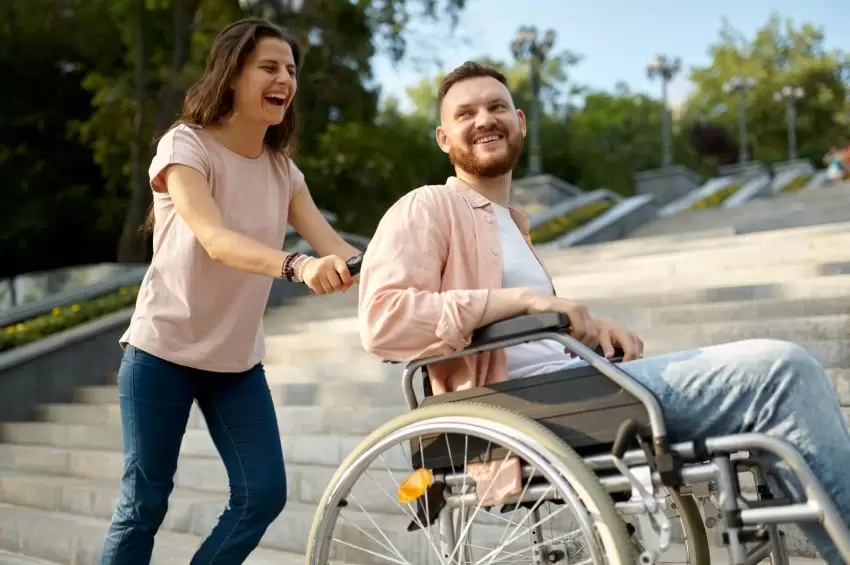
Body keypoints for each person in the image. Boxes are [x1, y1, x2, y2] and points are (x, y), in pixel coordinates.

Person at [357, 61, 850, 564]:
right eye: (466, 113)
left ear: (520, 121)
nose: (484, 118)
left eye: (497, 106)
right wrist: (526, 300)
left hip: (572, 383)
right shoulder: (427, 206)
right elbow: (384, 320)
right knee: (782, 371)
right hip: (524, 404)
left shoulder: (510, 227)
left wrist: (589, 332)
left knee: (774, 384)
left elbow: (526, 332)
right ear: (444, 138)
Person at [99, 18, 361, 565]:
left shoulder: (283, 171)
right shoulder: (184, 146)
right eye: (269, 67)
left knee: (262, 494)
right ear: (232, 74)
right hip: (161, 352)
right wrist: (297, 266)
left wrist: (412, 260)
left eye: (290, 70)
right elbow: (216, 239)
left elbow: (341, 249)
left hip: (237, 365)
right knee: (143, 503)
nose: (284, 80)